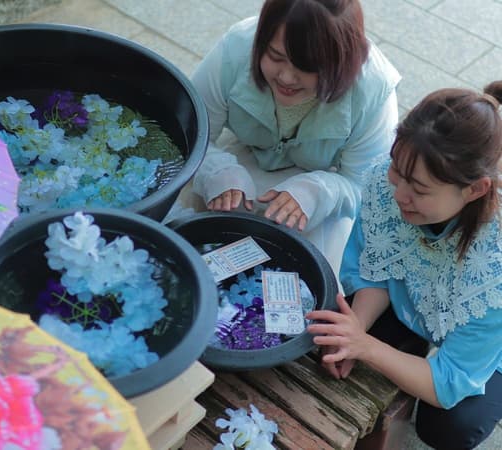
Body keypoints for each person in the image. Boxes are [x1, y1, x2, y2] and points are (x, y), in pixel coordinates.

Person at [307, 81, 502, 449]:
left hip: (493, 339)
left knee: (450, 424)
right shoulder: (391, 181)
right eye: (397, 170)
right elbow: (373, 268)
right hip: (418, 294)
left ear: (475, 190)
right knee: (345, 342)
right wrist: (355, 328)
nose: (398, 194)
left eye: (419, 188)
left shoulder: (494, 269)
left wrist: (365, 346)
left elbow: (450, 381)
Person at [173, 0, 401, 278]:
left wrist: (317, 192)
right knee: (178, 239)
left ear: (340, 61)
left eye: (307, 67)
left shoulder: (373, 91)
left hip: (323, 191)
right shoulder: (236, 49)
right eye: (275, 56)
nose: (286, 77)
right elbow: (187, 133)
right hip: (242, 158)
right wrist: (215, 169)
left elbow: (366, 188)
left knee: (316, 273)